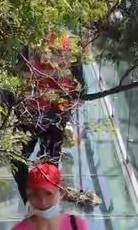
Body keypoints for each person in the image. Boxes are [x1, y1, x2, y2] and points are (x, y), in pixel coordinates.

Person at [7, 32, 85, 200]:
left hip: (37, 114)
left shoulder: (30, 42)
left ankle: (33, 201)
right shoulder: (67, 44)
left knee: (20, 157)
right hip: (44, 114)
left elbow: (13, 79)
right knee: (46, 162)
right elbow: (81, 86)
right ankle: (37, 201)